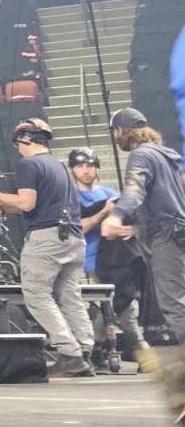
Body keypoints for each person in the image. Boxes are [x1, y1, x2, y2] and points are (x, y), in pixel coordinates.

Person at [0, 118, 93, 377]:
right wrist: (5, 205)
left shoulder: (29, 164)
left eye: (19, 142)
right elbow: (38, 204)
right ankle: (85, 350)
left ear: (26, 138)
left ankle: (69, 353)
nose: (18, 148)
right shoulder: (59, 165)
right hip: (72, 237)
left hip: (46, 239)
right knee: (69, 295)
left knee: (37, 295)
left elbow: (27, 204)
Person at [100, 108, 185, 355]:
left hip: (167, 237)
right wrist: (138, 226)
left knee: (175, 302)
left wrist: (116, 216)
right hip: (179, 231)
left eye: (115, 132)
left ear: (121, 131)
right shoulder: (167, 155)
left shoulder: (140, 156)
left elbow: (134, 190)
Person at [69, 150, 136, 373]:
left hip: (115, 261)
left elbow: (130, 217)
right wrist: (103, 212)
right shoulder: (72, 197)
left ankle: (97, 350)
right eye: (80, 166)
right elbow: (78, 227)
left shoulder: (109, 193)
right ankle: (100, 348)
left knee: (117, 304)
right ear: (72, 169)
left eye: (90, 165)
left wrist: (131, 229)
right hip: (87, 260)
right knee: (103, 306)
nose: (86, 170)